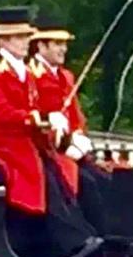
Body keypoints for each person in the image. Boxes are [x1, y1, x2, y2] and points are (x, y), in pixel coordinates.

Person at [0, 6, 102, 257]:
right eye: (19, 38)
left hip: (28, 144)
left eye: (26, 37)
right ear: (3, 41)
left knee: (59, 178)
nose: (25, 43)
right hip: (2, 146)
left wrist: (62, 133)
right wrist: (39, 118)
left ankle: (79, 237)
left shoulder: (24, 72)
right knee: (46, 181)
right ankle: (69, 242)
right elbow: (0, 112)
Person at [29, 13, 110, 235]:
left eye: (64, 44)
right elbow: (35, 117)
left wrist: (78, 136)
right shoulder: (32, 76)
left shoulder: (66, 76)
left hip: (70, 150)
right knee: (86, 183)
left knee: (105, 180)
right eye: (57, 44)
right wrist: (64, 142)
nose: (63, 49)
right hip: (48, 151)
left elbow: (75, 115)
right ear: (41, 46)